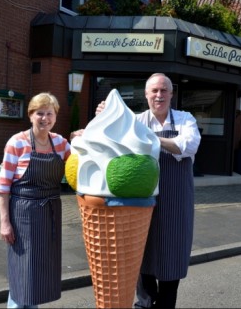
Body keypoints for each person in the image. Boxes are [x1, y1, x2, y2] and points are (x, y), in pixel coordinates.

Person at [90, 73, 201, 308]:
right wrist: (106, 117)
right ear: (147, 95)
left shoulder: (184, 119)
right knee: (142, 254)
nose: (159, 95)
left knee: (172, 256)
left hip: (175, 202)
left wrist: (148, 138)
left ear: (171, 94)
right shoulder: (137, 120)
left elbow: (188, 145)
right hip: (142, 203)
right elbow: (113, 141)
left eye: (163, 91)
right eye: (154, 91)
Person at [0, 92, 71, 308]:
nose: (45, 118)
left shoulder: (61, 143)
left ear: (55, 117)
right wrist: (5, 222)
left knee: (37, 273)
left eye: (50, 113)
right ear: (30, 115)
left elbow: (80, 162)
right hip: (23, 215)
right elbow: (3, 186)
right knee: (23, 271)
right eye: (40, 113)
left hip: (50, 215)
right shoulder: (17, 143)